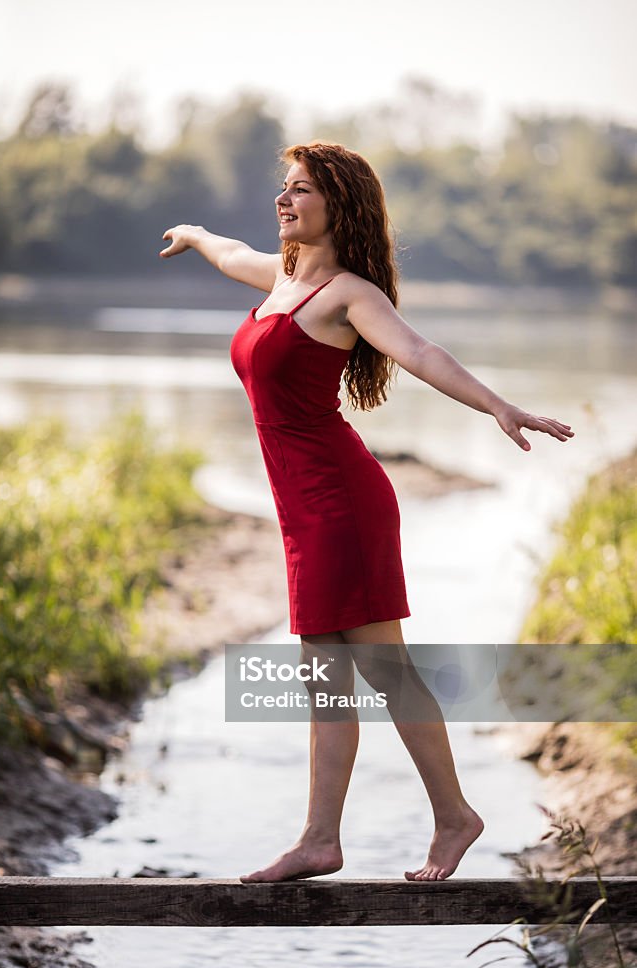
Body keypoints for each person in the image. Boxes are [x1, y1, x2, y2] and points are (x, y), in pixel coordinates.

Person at [159, 141, 574, 884]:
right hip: (302, 510)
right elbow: (230, 253)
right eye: (283, 189)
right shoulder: (280, 279)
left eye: (302, 191)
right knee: (327, 678)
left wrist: (498, 407)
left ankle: (451, 817)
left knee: (385, 669)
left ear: (338, 206)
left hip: (342, 504)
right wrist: (192, 235)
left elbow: (421, 352)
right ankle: (322, 839)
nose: (285, 201)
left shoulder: (349, 296)